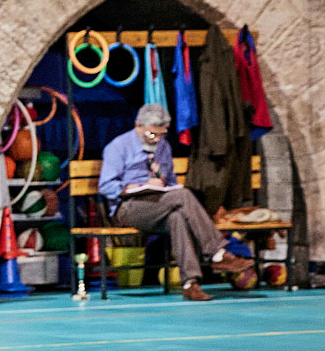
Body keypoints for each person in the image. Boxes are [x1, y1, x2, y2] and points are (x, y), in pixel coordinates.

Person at [99, 103, 254, 302]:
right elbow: (106, 186)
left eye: (161, 134)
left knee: (177, 217)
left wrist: (165, 186)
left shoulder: (163, 146)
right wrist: (139, 185)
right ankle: (217, 252)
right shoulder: (118, 147)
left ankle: (190, 284)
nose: (156, 139)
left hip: (160, 203)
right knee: (183, 196)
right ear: (138, 125)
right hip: (129, 207)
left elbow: (171, 181)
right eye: (152, 134)